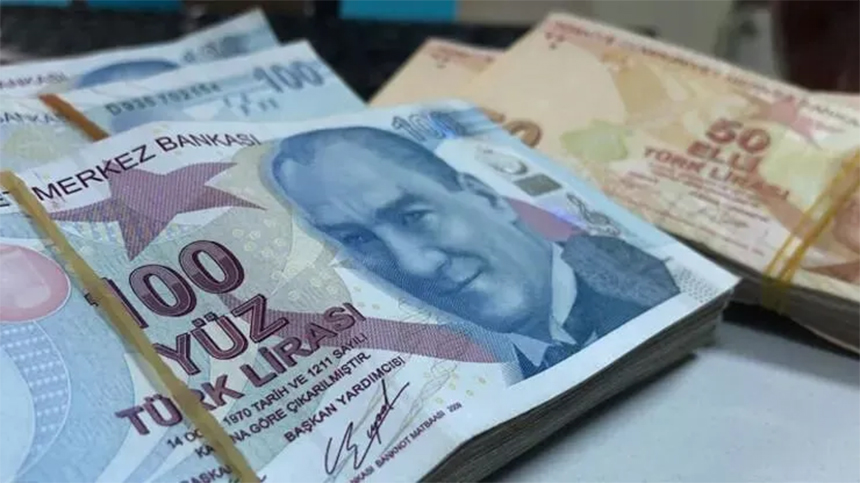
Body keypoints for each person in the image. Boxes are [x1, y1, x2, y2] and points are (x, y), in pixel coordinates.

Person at [263, 127, 680, 379]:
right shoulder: (474, 379)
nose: (414, 264)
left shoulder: (654, 284)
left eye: (413, 217)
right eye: (358, 240)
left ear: (487, 196)